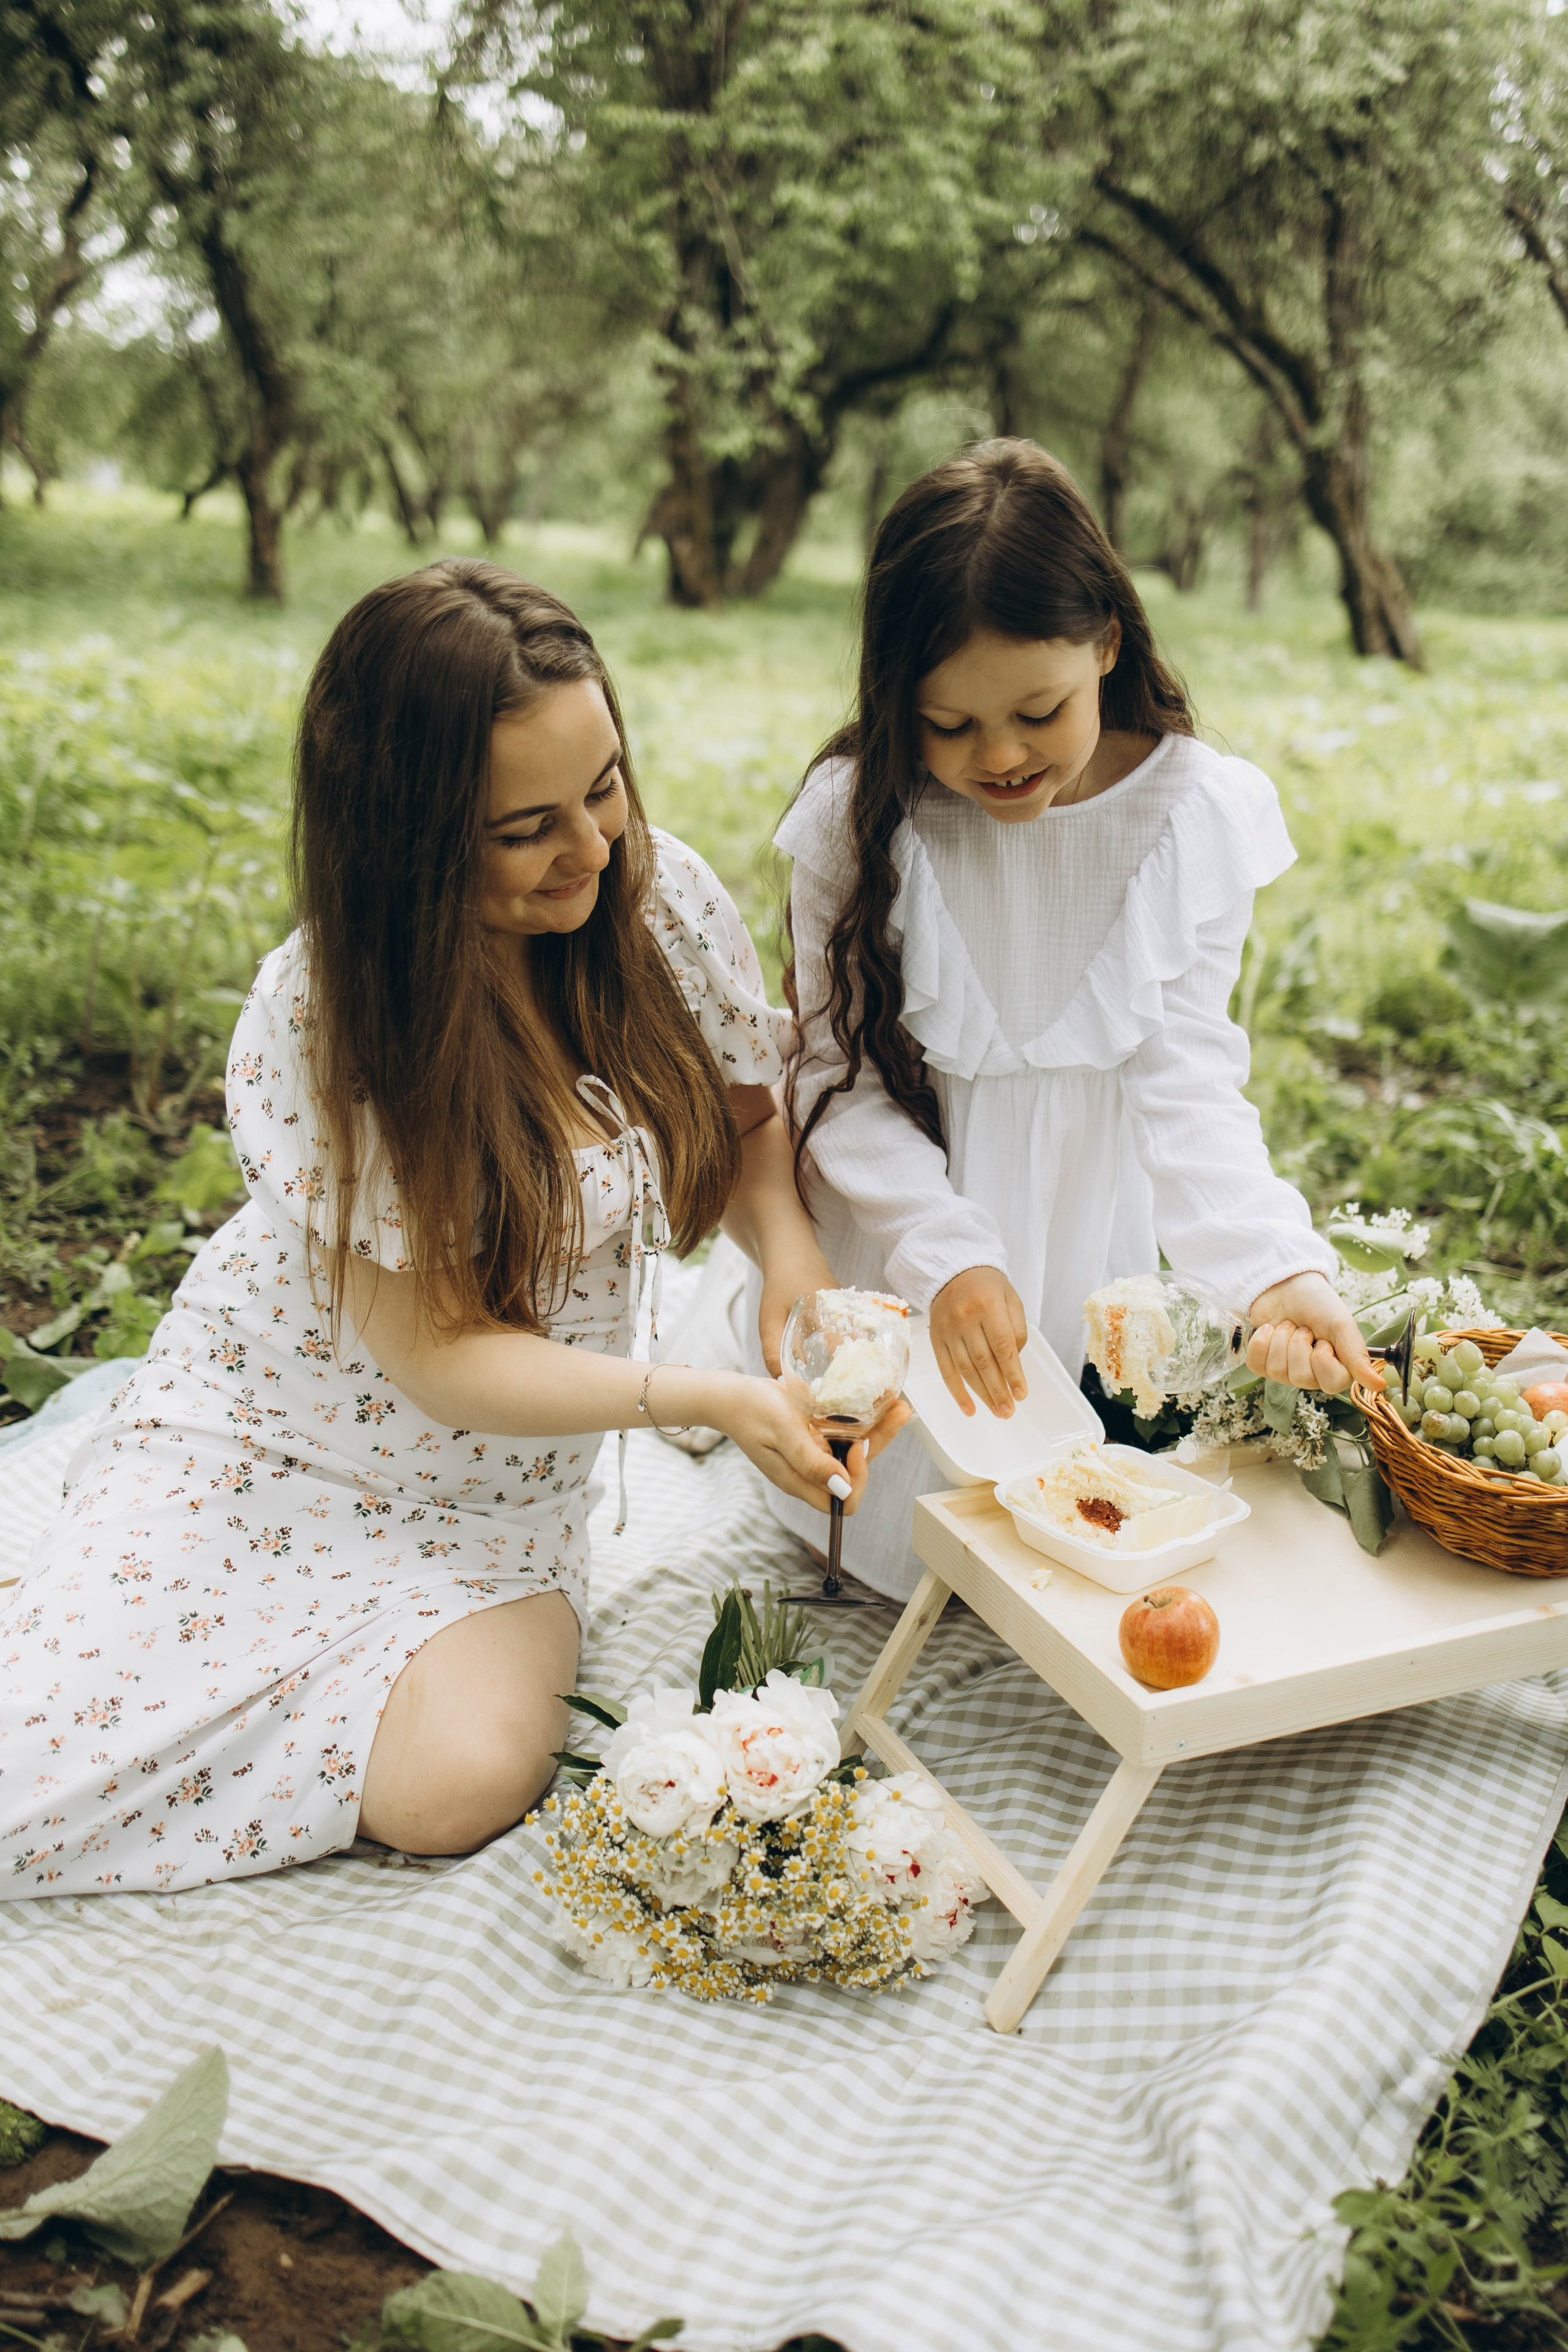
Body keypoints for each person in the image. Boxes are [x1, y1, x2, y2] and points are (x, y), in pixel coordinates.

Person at [0, 560, 898, 1898]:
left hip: (500, 1490)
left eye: (603, 786)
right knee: (39, 1777)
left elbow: (751, 1120)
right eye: (522, 826)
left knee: (460, 1783)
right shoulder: (329, 1014)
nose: (590, 850)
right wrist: (697, 1394)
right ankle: (124, 1443)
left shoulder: (651, 901)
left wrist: (795, 1266)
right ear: (405, 837)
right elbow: (437, 1354)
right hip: (284, 1424)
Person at [754, 439, 1376, 1597]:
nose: (997, 758)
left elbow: (1189, 1084)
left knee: (1080, 1530)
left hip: (1085, 1238)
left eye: (1039, 711)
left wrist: (1275, 1270)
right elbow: (836, 1079)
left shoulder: (1193, 817)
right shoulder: (860, 814)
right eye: (948, 726)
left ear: (1108, 645)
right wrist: (946, 1256)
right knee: (911, 1538)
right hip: (905, 1229)